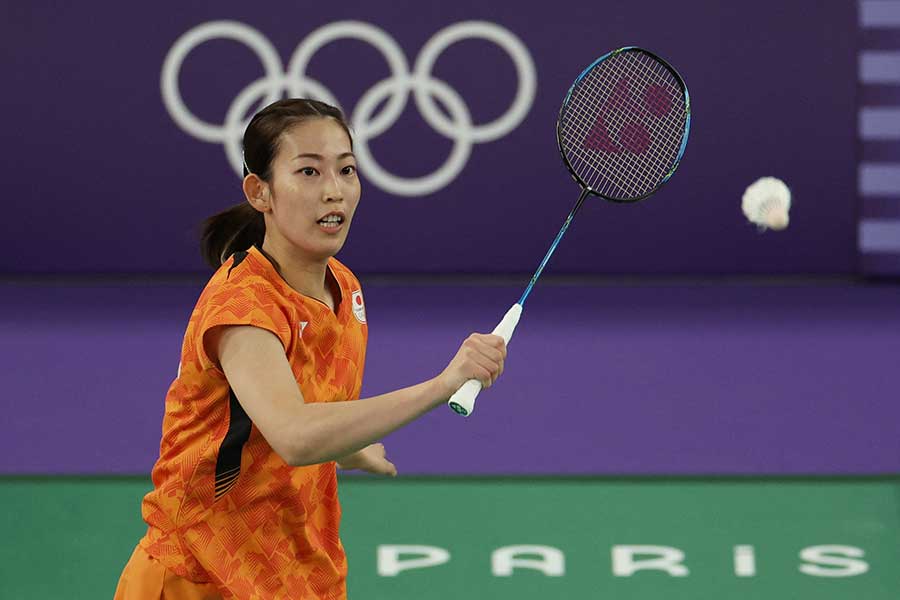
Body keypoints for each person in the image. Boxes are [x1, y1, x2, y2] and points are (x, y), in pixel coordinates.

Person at [114, 98, 506, 599]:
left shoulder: (345, 288)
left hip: (295, 571)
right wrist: (442, 385)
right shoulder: (242, 307)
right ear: (260, 192)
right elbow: (295, 435)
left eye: (346, 170)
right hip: (202, 575)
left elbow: (312, 407)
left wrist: (349, 447)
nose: (333, 192)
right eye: (308, 171)